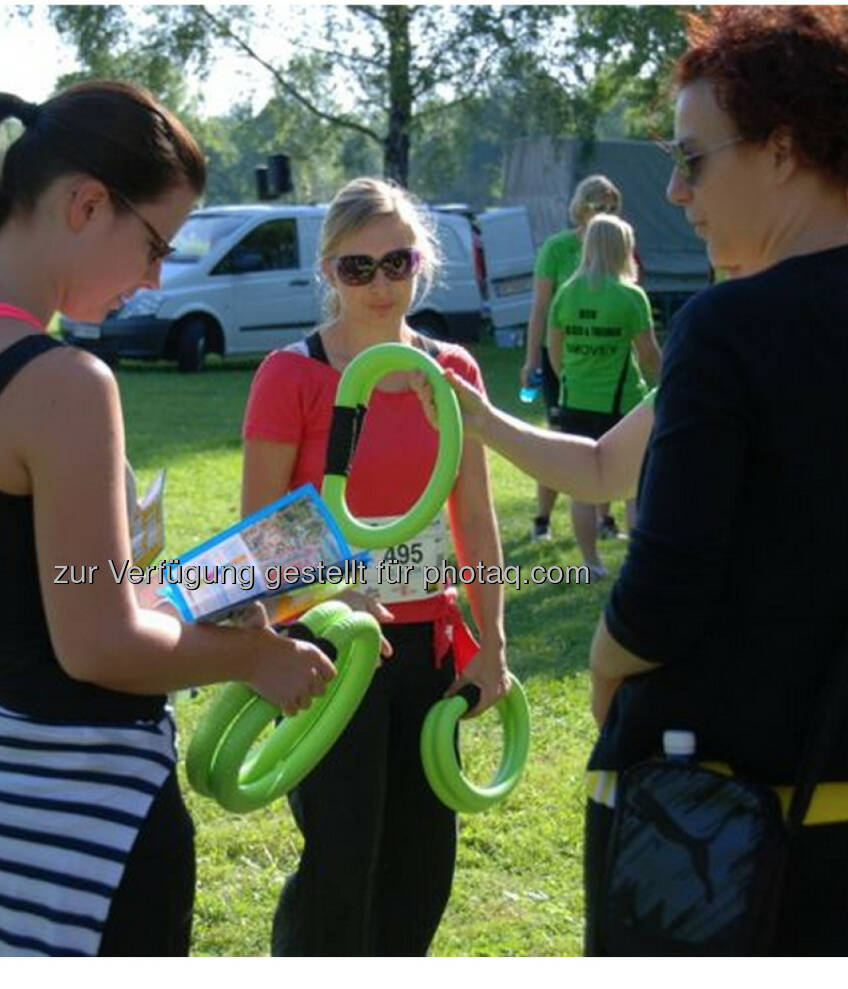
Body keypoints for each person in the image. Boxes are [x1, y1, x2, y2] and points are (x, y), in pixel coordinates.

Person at [0, 82, 335, 958]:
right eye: (156, 244)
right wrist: (257, 659)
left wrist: (222, 587)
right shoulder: (62, 383)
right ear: (87, 203)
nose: (156, 278)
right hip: (82, 823)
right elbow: (96, 647)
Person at [579, 6, 848, 954]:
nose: (679, 194)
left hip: (709, 828)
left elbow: (665, 589)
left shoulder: (726, 328)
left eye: (693, 159)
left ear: (784, 148)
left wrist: (605, 666)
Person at [242, 177, 510, 956]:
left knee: (421, 871)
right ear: (327, 273)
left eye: (396, 262)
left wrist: (492, 643)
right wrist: (331, 586)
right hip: (331, 652)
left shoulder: (451, 370)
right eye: (357, 269)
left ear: (420, 263)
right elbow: (256, 534)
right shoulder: (292, 375)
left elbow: (477, 523)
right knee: (340, 869)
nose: (380, 284)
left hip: (429, 650)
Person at [522, 175, 639, 541]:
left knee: (609, 440)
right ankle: (542, 519)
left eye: (611, 207)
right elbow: (540, 309)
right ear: (580, 208)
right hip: (564, 359)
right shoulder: (557, 249)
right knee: (561, 443)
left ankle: (605, 521)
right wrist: (532, 361)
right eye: (598, 206)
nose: (605, 213)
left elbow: (629, 308)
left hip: (605, 361)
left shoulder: (619, 246)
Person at [546, 214, 661, 578]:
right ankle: (637, 563)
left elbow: (554, 347)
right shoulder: (630, 296)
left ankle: (591, 563)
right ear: (622, 249)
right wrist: (668, 384)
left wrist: (572, 375)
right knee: (633, 487)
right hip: (623, 404)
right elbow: (648, 354)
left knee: (583, 488)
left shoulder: (566, 292)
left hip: (575, 401)